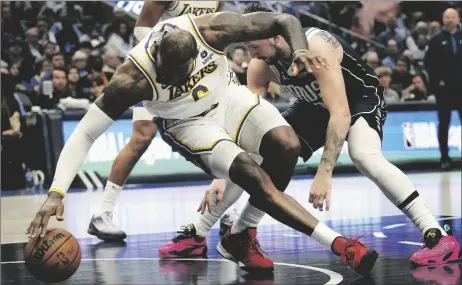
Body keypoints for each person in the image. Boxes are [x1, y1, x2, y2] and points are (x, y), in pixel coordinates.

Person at [26, 8, 379, 277]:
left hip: (226, 96)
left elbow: (284, 20)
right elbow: (86, 132)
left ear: (196, 55)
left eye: (181, 73)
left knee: (286, 145)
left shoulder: (213, 30)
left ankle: (240, 235)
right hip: (187, 122)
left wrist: (300, 50)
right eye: (167, 74)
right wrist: (56, 192)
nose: (172, 78)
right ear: (158, 61)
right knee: (248, 172)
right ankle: (339, 245)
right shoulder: (131, 79)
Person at [159, 3, 460, 271]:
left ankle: (437, 236)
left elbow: (340, 112)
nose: (251, 53)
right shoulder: (259, 66)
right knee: (260, 157)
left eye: (254, 46)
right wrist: (221, 173)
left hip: (358, 98)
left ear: (275, 35)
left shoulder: (317, 47)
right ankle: (197, 234)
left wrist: (324, 172)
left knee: (364, 155)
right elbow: (244, 128)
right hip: (313, 106)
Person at [87, 1, 227, 241]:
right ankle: (102, 213)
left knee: (218, 131)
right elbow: (142, 29)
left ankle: (226, 207)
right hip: (156, 71)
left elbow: (212, 29)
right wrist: (168, 58)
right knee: (142, 137)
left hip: (193, 71)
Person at [424, 8, 462, 170]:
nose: (450, 20)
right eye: (447, 17)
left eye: (453, 17)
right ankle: (444, 158)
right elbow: (428, 63)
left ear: (458, 19)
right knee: (444, 123)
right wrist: (437, 81)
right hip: (445, 89)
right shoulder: (436, 39)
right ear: (442, 19)